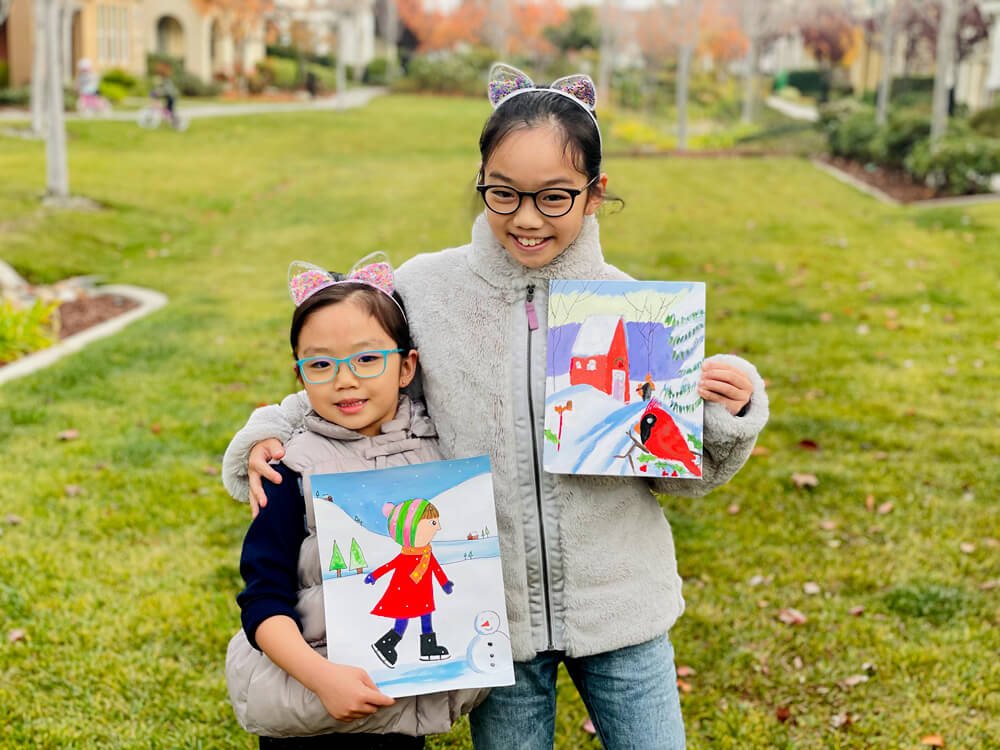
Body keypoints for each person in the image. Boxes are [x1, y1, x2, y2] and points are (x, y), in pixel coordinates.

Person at [222, 63, 769, 749]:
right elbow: (354, 375)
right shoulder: (428, 290)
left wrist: (725, 410)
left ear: (596, 194)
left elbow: (674, 471)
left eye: (554, 198)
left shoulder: (634, 310)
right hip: (491, 620)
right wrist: (269, 434)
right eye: (503, 194)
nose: (527, 218)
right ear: (480, 180)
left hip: (622, 607)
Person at [224, 257, 487, 748]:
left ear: (407, 366)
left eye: (367, 359)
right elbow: (262, 600)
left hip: (402, 704)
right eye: (321, 364)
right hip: (312, 706)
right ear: (301, 379)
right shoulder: (289, 470)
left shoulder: (442, 450)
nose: (344, 380)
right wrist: (322, 679)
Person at [366, 499, 453, 667]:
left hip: (423, 593)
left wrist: (444, 584)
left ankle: (428, 648)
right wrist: (375, 576)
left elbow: (436, 569)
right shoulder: (406, 556)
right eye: (432, 523)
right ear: (412, 528)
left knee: (426, 618)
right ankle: (385, 645)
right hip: (404, 593)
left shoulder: (427, 553)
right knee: (402, 621)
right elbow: (389, 565)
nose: (438, 528)